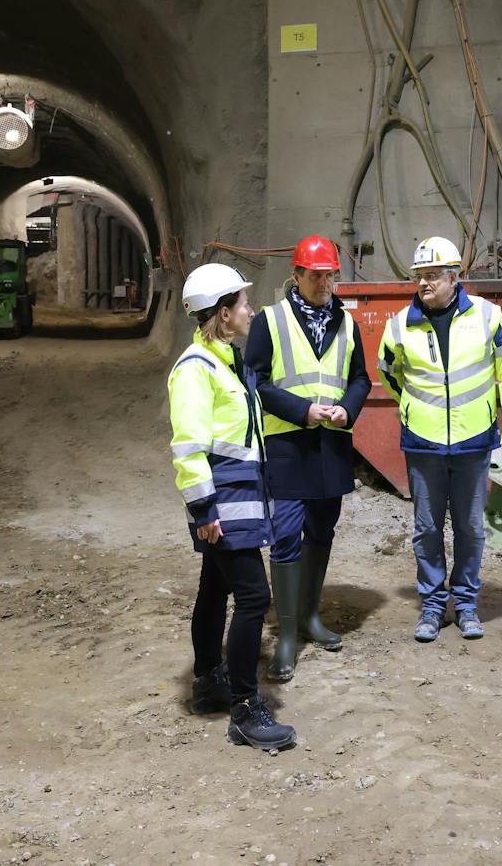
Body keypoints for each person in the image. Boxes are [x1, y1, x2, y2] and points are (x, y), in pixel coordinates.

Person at [167, 262, 295, 750]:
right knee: (255, 598)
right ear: (223, 314)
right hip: (223, 502)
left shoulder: (227, 362)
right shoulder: (195, 370)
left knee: (215, 588)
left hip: (238, 496)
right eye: (243, 303)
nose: (251, 309)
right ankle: (244, 706)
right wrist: (204, 511)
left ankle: (207, 683)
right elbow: (189, 447)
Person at [377, 237, 502, 643]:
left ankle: (464, 604)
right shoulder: (399, 325)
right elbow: (389, 372)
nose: (423, 284)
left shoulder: (487, 317)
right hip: (423, 444)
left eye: (431, 276)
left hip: (474, 441)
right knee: (426, 529)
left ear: (453, 276)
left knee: (470, 528)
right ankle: (431, 607)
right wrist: (415, 407)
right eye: (419, 276)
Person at [244, 235, 372, 681]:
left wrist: (347, 408)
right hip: (288, 447)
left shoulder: (346, 322)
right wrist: (302, 410)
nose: (323, 282)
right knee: (286, 537)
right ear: (296, 275)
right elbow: (256, 382)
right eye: (315, 274)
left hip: (331, 446)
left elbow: (360, 379)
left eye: (330, 274)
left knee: (322, 531)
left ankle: (310, 617)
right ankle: (286, 636)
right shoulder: (270, 321)